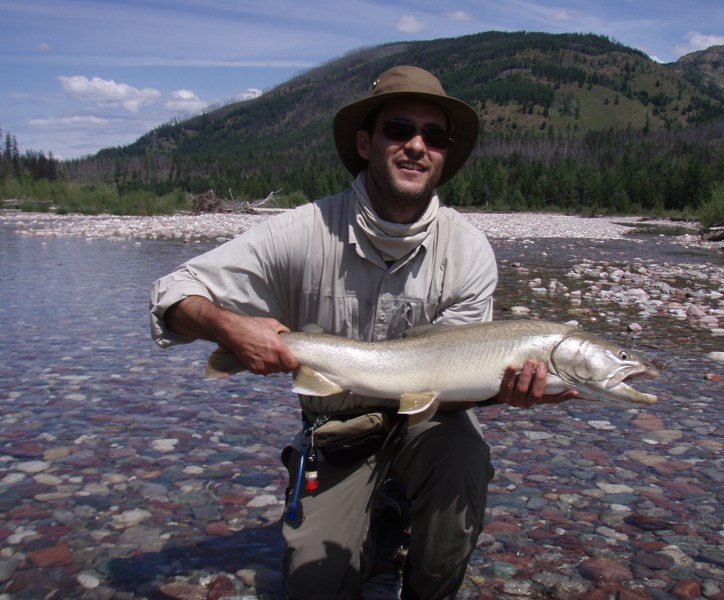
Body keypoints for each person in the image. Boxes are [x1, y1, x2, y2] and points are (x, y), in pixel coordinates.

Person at [150, 65, 576, 599]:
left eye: (434, 136)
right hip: (338, 432)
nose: (417, 146)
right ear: (364, 141)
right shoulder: (301, 231)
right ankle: (380, 519)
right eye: (399, 129)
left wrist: (503, 391)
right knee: (316, 586)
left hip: (429, 426)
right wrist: (229, 327)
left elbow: (452, 383)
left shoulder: (468, 252)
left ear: (444, 154)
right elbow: (171, 292)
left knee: (465, 460)